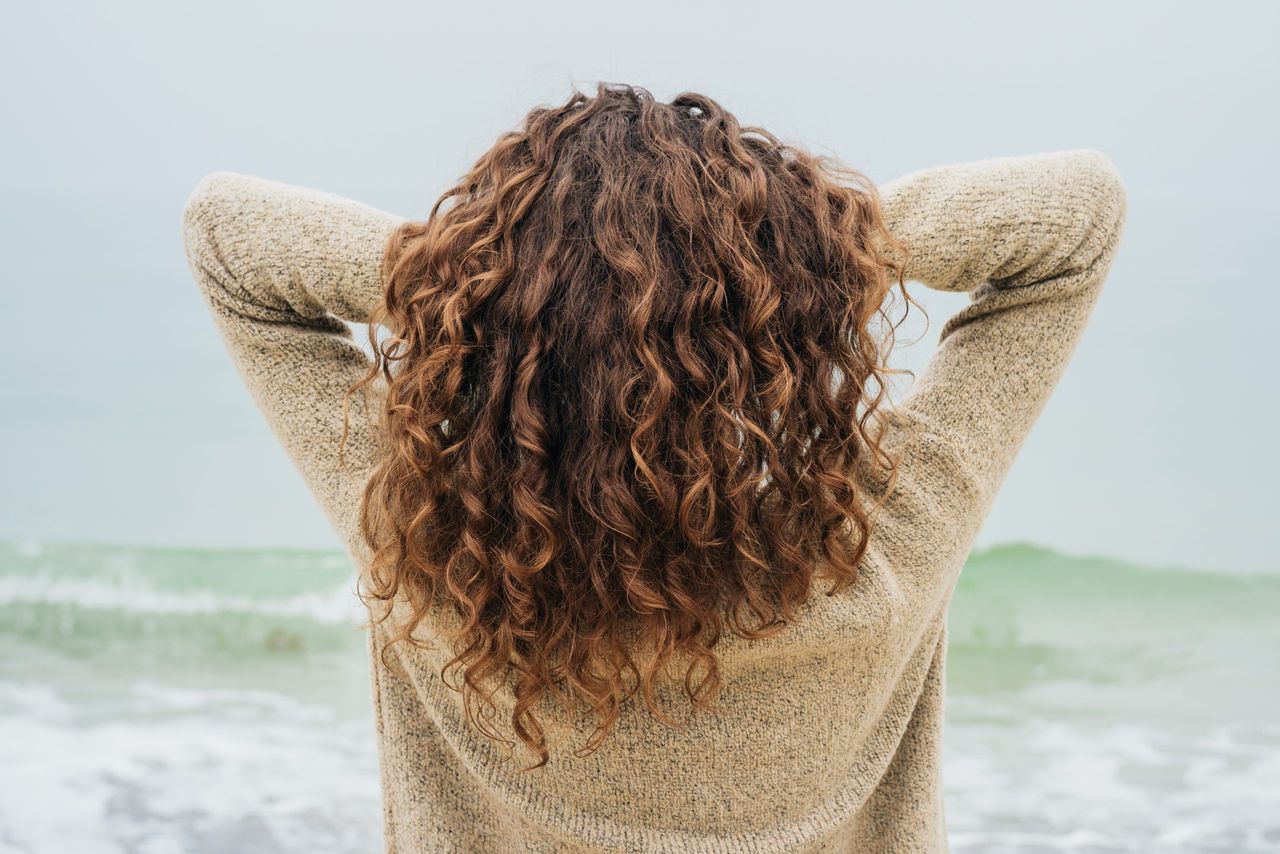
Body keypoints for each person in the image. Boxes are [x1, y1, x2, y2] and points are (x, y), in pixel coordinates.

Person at [181, 82, 1126, 853]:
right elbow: (1079, 217)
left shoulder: (435, 559)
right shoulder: (879, 563)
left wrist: (487, 279)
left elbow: (228, 238)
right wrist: (791, 257)